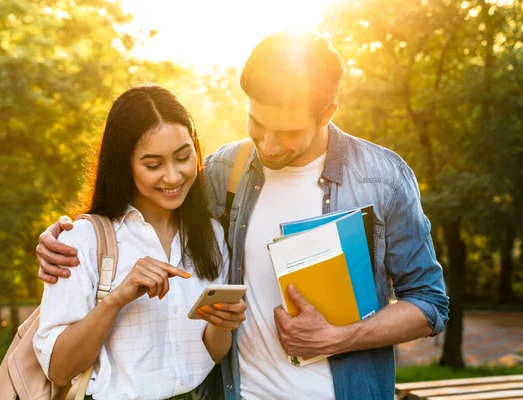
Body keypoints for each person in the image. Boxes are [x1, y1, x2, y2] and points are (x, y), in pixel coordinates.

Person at [36, 32, 449, 399]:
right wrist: (63, 237)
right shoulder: (222, 171)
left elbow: (430, 303)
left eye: (286, 132)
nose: (267, 145)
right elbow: (145, 205)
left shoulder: (382, 180)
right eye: (256, 122)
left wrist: (337, 338)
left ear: (327, 113)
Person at [33, 85, 247, 400]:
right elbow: (59, 370)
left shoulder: (212, 235)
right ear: (125, 165)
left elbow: (212, 354)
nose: (173, 176)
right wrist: (116, 300)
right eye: (153, 165)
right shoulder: (83, 240)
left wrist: (223, 324)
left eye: (183, 157)